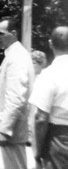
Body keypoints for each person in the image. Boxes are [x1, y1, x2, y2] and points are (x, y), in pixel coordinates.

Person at [0, 16, 35, 169]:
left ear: (14, 34)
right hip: (13, 131)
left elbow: (16, 97)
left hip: (12, 132)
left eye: (1, 33)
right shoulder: (14, 54)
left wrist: (5, 129)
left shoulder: (17, 58)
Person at [29, 26, 68, 169]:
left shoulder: (49, 74)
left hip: (59, 140)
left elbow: (40, 118)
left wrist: (37, 152)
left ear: (50, 43)